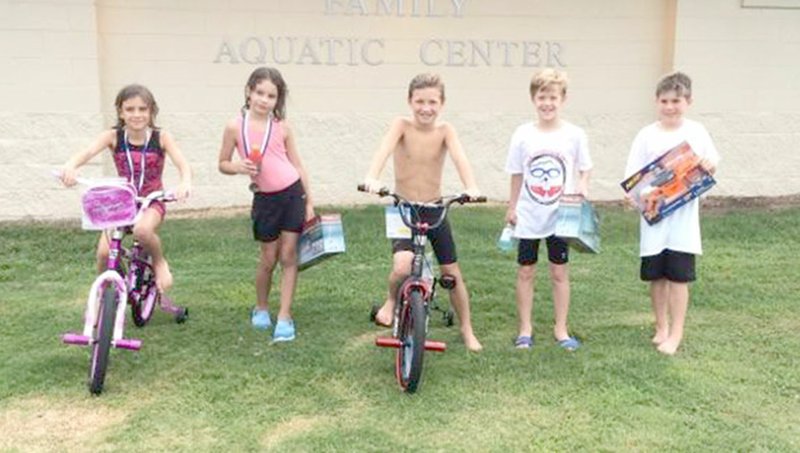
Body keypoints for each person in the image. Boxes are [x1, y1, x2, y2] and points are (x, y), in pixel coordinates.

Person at [362, 73, 483, 352]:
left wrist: (471, 186)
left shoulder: (445, 131)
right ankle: (391, 301)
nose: (425, 108)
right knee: (402, 266)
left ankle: (467, 329)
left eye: (432, 102)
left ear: (441, 103)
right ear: (409, 101)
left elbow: (459, 157)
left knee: (451, 272)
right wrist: (372, 176)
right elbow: (383, 150)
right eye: (419, 101)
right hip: (403, 207)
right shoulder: (401, 125)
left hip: (433, 208)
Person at [60, 84, 192, 293]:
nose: (136, 114)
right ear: (121, 112)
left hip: (152, 201)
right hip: (123, 202)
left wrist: (185, 182)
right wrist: (71, 166)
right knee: (104, 254)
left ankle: (159, 263)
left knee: (142, 230)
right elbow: (87, 152)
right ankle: (105, 297)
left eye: (142, 109)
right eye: (130, 109)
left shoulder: (161, 137)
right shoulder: (113, 136)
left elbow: (182, 164)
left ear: (151, 112)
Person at [624, 71, 719, 355]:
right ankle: (661, 326)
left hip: (683, 221)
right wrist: (636, 196)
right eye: (664, 101)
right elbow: (633, 177)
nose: (670, 106)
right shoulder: (646, 135)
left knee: (679, 276)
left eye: (676, 101)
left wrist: (707, 164)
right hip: (655, 219)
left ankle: (676, 332)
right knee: (657, 276)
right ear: (656, 101)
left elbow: (712, 163)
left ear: (688, 101)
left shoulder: (696, 132)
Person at [218, 67, 315, 343]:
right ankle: (261, 307)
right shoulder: (235, 126)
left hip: (293, 194)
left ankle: (284, 316)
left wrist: (309, 201)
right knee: (268, 259)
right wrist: (237, 166)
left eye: (271, 95)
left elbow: (297, 165)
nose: (264, 99)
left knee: (289, 256)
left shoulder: (282, 127)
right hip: (265, 200)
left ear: (277, 99)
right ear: (249, 91)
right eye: (259, 92)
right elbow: (222, 163)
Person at [504, 68, 592, 351]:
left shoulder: (575, 135)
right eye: (542, 97)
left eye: (553, 97)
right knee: (526, 271)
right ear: (534, 99)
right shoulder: (522, 134)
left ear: (562, 99)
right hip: (530, 215)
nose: (547, 103)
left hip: (562, 216)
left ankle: (561, 328)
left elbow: (585, 168)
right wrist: (512, 207)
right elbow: (516, 174)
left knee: (559, 271)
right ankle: (525, 328)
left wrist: (582, 186)